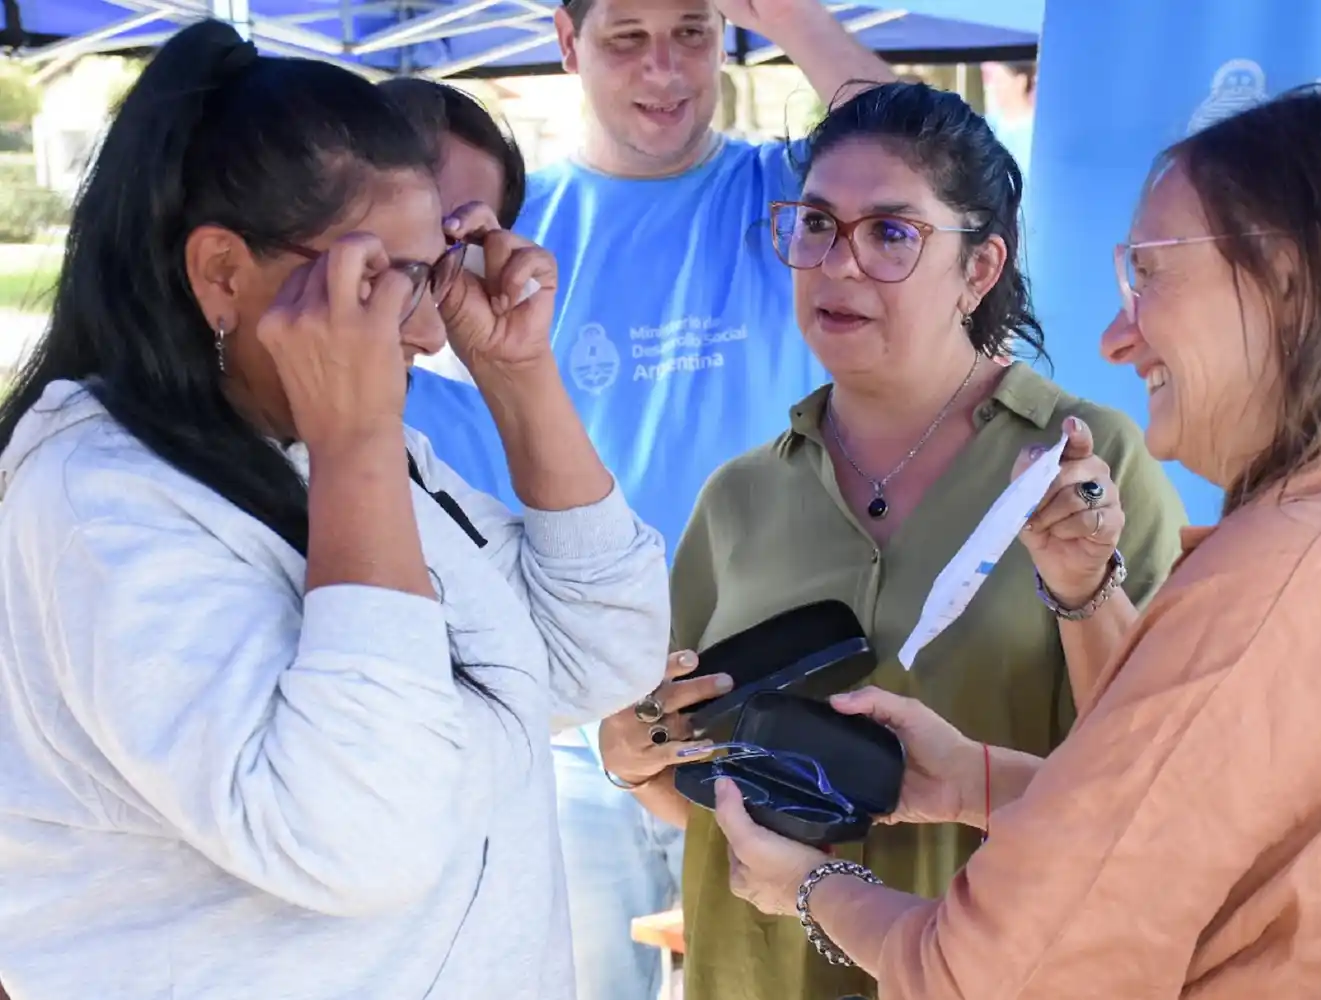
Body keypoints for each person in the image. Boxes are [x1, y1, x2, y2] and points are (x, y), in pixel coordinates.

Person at [710, 84, 1321, 998]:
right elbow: (1208, 830)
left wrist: (810, 886)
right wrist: (974, 780)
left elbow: (986, 976)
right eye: (816, 224)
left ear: (1290, 281)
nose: (1118, 337)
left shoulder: (1272, 586)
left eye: (1152, 275)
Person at [0, 21, 668, 1000]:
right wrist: (356, 444)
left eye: (434, 269)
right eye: (389, 279)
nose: (429, 325)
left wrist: (520, 377)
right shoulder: (100, 500)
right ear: (223, 273)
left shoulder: (348, 451)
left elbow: (599, 654)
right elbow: (361, 834)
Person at [597, 81, 1190, 1000]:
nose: (839, 263)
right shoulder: (741, 496)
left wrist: (1081, 588)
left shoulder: (1082, 463)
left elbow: (1153, 784)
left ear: (980, 269)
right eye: (818, 225)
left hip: (993, 970)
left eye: (891, 233)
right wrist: (634, 754)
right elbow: (694, 792)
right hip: (760, 972)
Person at [416, 2, 897, 998]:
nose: (665, 70)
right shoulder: (513, 229)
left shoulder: (787, 198)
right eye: (626, 37)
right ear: (565, 43)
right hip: (579, 726)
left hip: (772, 707)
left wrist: (793, 16)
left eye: (691, 30)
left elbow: (912, 147)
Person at [382, 77, 527, 502]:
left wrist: (521, 370)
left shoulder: (479, 421)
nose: (429, 330)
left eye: (451, 245)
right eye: (400, 245)